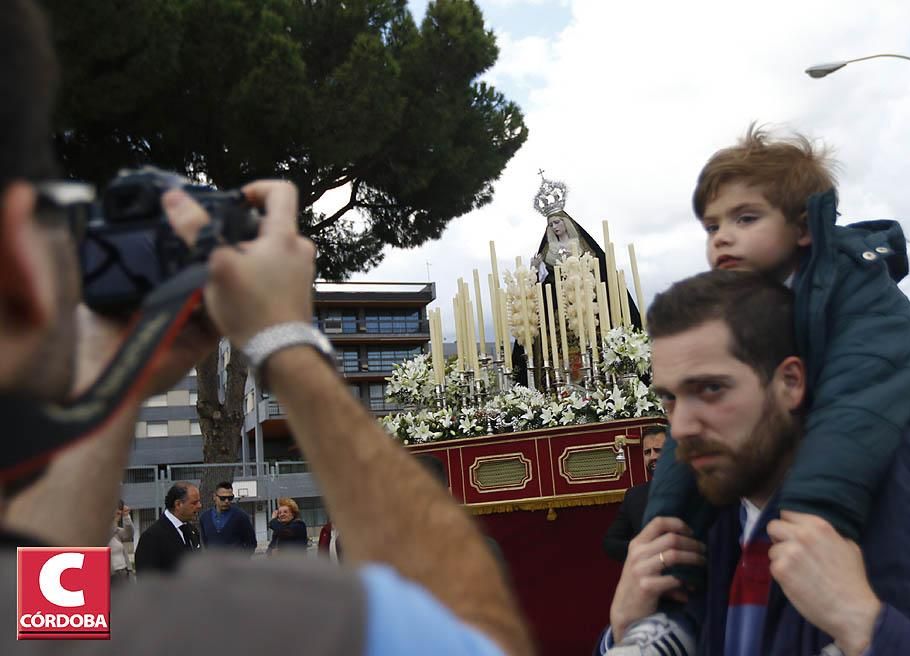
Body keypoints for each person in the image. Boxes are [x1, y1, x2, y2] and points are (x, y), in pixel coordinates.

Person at [0, 5, 531, 654]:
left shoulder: (28, 615)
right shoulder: (261, 626)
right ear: (17, 263)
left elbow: (48, 622)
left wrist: (123, 365)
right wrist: (285, 340)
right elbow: (473, 638)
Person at [637, 126, 910, 653]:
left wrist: (810, 511)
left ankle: (892, 608)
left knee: (902, 459)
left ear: (803, 228)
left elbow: (859, 398)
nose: (722, 237)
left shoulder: (856, 280)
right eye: (712, 226)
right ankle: (670, 628)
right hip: (851, 417)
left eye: (745, 218)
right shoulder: (758, 304)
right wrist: (662, 529)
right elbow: (683, 447)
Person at [598, 270, 910, 656]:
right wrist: (623, 631)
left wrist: (865, 626)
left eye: (711, 389)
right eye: (670, 399)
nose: (680, 427)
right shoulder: (693, 544)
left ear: (791, 382)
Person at [602, 428, 666, 562]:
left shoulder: (696, 488)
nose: (653, 456)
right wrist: (641, 549)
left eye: (658, 450)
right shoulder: (634, 496)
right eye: (647, 452)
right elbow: (611, 542)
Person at [134, 482, 203, 574]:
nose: (199, 506)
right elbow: (147, 579)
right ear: (178, 504)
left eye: (199, 501)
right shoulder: (152, 537)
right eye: (194, 503)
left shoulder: (192, 531)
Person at [199, 481, 258, 554]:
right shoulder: (204, 517)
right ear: (214, 497)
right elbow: (205, 543)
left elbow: (251, 543)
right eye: (222, 498)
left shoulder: (241, 516)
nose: (226, 501)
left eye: (230, 498)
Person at [109, 501, 133, 583]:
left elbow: (128, 534)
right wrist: (114, 520)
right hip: (111, 576)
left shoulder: (117, 531)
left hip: (124, 572)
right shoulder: (99, 532)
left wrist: (126, 517)